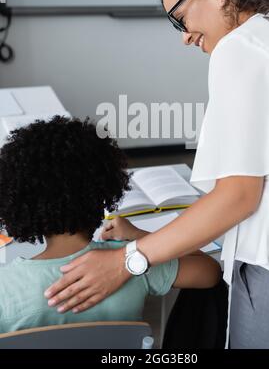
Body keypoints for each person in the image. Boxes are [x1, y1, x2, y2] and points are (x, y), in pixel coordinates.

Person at [44, 0, 269, 348]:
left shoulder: (239, 50)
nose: (184, 35)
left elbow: (239, 195)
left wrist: (128, 261)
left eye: (179, 17)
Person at [0, 115, 221, 333]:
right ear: (103, 191)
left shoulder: (6, 285)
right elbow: (210, 272)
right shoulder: (133, 264)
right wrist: (137, 235)